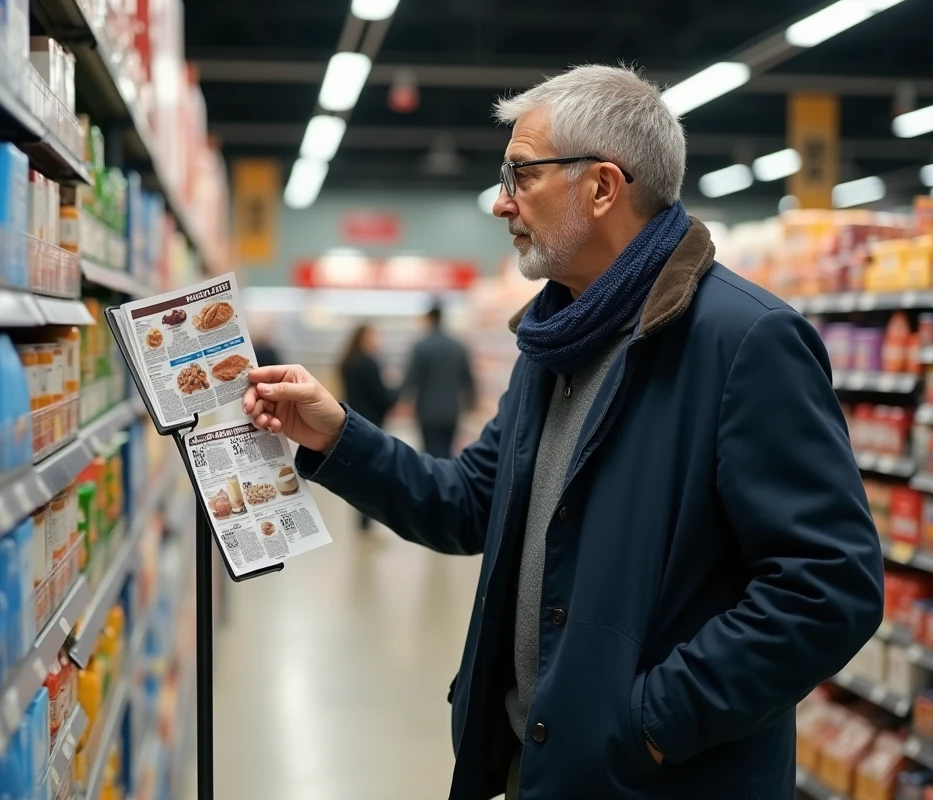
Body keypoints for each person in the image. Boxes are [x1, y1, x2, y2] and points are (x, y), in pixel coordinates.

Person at [241, 64, 882, 800]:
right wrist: (337, 435)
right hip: (541, 769)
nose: (500, 203)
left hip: (652, 781)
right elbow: (471, 501)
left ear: (603, 187)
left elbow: (829, 588)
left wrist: (649, 725)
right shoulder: (556, 341)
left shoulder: (744, 341)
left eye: (520, 175)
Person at [338, 323, 397, 531]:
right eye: (374, 336)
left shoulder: (348, 362)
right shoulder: (369, 363)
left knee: (358, 474)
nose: (377, 341)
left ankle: (362, 525)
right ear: (364, 338)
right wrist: (396, 389)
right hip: (370, 424)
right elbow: (382, 398)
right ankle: (366, 526)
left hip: (351, 422)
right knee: (371, 475)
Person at [402, 303, 474, 458]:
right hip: (451, 411)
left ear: (430, 319)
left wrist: (397, 399)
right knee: (447, 452)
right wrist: (470, 405)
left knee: (429, 454)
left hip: (427, 411)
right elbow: (467, 380)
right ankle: (448, 480)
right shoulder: (458, 346)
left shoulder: (421, 347)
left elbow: (411, 380)